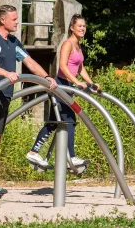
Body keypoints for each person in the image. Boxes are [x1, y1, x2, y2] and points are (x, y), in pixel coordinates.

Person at [0, 5, 57, 194]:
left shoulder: (13, 41)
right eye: (13, 19)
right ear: (2, 20)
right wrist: (6, 74)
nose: (17, 22)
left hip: (6, 95)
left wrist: (46, 78)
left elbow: (30, 62)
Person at [26, 14, 101, 167]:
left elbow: (80, 68)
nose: (82, 28)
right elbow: (63, 66)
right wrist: (77, 82)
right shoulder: (68, 44)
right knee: (68, 120)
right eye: (79, 26)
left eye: (84, 26)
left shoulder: (78, 46)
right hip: (61, 84)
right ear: (72, 28)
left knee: (58, 122)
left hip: (69, 86)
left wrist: (91, 83)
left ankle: (35, 153)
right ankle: (70, 158)